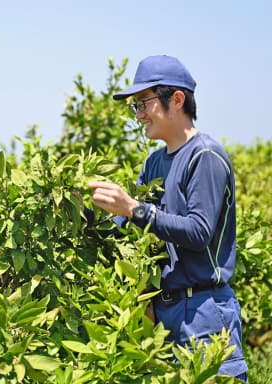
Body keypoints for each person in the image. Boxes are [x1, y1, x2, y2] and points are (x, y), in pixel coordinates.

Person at [88, 55, 248, 380]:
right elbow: (126, 230)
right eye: (135, 107)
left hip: (205, 312)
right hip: (165, 314)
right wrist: (85, 210)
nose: (139, 115)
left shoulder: (205, 156)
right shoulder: (154, 163)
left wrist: (134, 208)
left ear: (176, 100)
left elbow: (198, 231)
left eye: (143, 103)